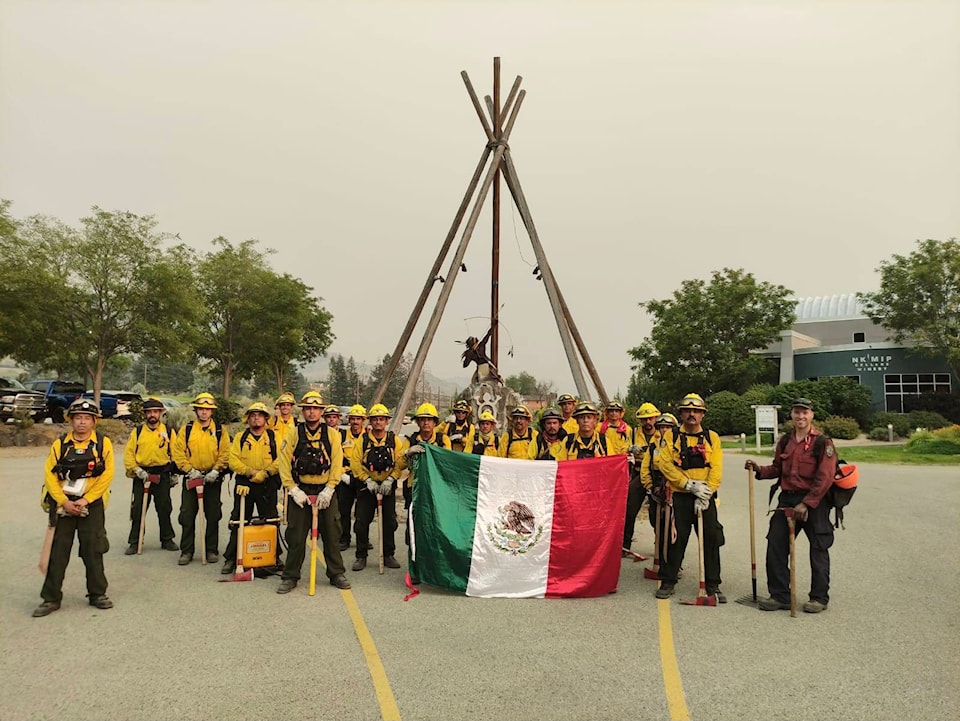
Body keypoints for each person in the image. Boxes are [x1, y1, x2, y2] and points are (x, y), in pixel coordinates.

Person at [745, 398, 839, 614]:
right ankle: (780, 595)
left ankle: (818, 598)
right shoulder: (785, 440)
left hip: (814, 502)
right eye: (797, 412)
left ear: (811, 415)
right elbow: (777, 468)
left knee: (819, 549)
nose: (800, 417)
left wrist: (806, 504)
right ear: (792, 415)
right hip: (787, 499)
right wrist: (758, 470)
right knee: (775, 545)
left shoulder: (822, 442)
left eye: (804, 412)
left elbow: (825, 477)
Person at [34, 398, 115, 617]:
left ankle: (97, 593)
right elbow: (50, 476)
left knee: (93, 550)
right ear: (71, 420)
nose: (82, 422)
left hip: (91, 504)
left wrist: (86, 500)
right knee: (58, 553)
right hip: (64, 505)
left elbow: (107, 475)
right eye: (78, 417)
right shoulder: (60, 444)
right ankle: (51, 598)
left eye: (87, 418)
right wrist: (64, 502)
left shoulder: (102, 443)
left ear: (94, 421)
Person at [276, 391, 350, 593]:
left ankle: (336, 573)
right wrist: (292, 489)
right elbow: (283, 463)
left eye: (315, 408)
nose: (311, 412)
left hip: (325, 490)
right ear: (302, 411)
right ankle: (290, 576)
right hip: (301, 491)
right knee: (296, 536)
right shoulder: (293, 433)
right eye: (307, 408)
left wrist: (330, 488)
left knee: (332, 534)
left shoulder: (333, 435)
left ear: (321, 411)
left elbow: (337, 462)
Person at [655, 393, 725, 603]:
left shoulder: (712, 437)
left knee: (711, 540)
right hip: (681, 496)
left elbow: (717, 468)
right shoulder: (671, 436)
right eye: (687, 411)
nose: (692, 414)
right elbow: (665, 464)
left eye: (696, 411)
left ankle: (713, 585)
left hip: (705, 497)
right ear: (682, 414)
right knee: (676, 539)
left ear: (702, 414)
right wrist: (687, 485)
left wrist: (707, 492)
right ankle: (668, 580)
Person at [172, 392, 231, 566]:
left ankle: (211, 549)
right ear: (196, 410)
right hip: (192, 478)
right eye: (201, 409)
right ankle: (187, 551)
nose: (204, 412)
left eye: (207, 409)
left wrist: (216, 470)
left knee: (213, 515)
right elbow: (178, 452)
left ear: (212, 411)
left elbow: (225, 453)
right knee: (187, 515)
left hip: (212, 479)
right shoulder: (187, 429)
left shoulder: (220, 431)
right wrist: (189, 470)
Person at [222, 402, 281, 575]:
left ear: (265, 419)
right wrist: (248, 472)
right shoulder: (241, 437)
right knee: (239, 521)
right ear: (247, 419)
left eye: (260, 415)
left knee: (271, 520)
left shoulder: (273, 437)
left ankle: (274, 557)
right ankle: (232, 558)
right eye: (253, 415)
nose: (256, 418)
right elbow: (233, 460)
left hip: (267, 484)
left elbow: (280, 459)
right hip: (244, 484)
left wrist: (265, 473)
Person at [349, 403, 408, 571]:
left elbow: (399, 463)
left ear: (386, 421)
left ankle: (388, 554)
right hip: (367, 487)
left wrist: (391, 479)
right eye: (375, 419)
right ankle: (361, 556)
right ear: (370, 422)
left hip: (387, 486)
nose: (378, 423)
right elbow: (355, 463)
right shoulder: (363, 440)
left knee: (389, 522)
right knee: (361, 522)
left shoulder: (394, 440)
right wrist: (367, 479)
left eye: (381, 419)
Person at [122, 397, 178, 555]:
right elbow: (129, 455)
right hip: (142, 474)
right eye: (149, 412)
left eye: (155, 412)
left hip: (162, 474)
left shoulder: (168, 431)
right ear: (145, 414)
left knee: (164, 508)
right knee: (138, 509)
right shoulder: (138, 432)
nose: (152, 415)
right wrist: (137, 470)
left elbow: (176, 454)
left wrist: (174, 472)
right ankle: (135, 541)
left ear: (160, 413)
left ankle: (167, 539)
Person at [402, 403, 452, 552]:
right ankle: (414, 566)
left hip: (436, 490)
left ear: (435, 422)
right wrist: (407, 454)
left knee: (436, 527)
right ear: (417, 422)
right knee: (414, 528)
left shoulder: (443, 440)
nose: (425, 423)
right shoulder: (410, 440)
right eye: (422, 419)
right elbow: (399, 465)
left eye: (429, 419)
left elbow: (448, 464)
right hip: (415, 490)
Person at [640, 412, 678, 570]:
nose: (664, 431)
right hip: (656, 489)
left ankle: (673, 561)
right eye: (661, 428)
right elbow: (645, 467)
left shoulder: (678, 444)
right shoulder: (653, 446)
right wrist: (648, 486)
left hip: (674, 489)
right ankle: (660, 557)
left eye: (667, 427)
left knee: (672, 526)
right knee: (656, 522)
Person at [623, 402, 660, 556]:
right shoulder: (632, 433)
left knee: (656, 513)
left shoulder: (664, 433)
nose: (648, 422)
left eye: (650, 419)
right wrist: (629, 448)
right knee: (629, 510)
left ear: (656, 418)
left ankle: (661, 546)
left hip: (656, 475)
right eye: (644, 419)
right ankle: (625, 545)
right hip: (638, 473)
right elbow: (621, 449)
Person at [337, 404, 368, 552]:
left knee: (362, 512)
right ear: (349, 420)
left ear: (363, 420)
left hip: (362, 477)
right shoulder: (341, 436)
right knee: (344, 511)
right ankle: (344, 538)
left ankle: (363, 539)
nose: (355, 422)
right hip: (345, 477)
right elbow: (334, 458)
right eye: (353, 419)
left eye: (358, 419)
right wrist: (341, 474)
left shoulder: (368, 436)